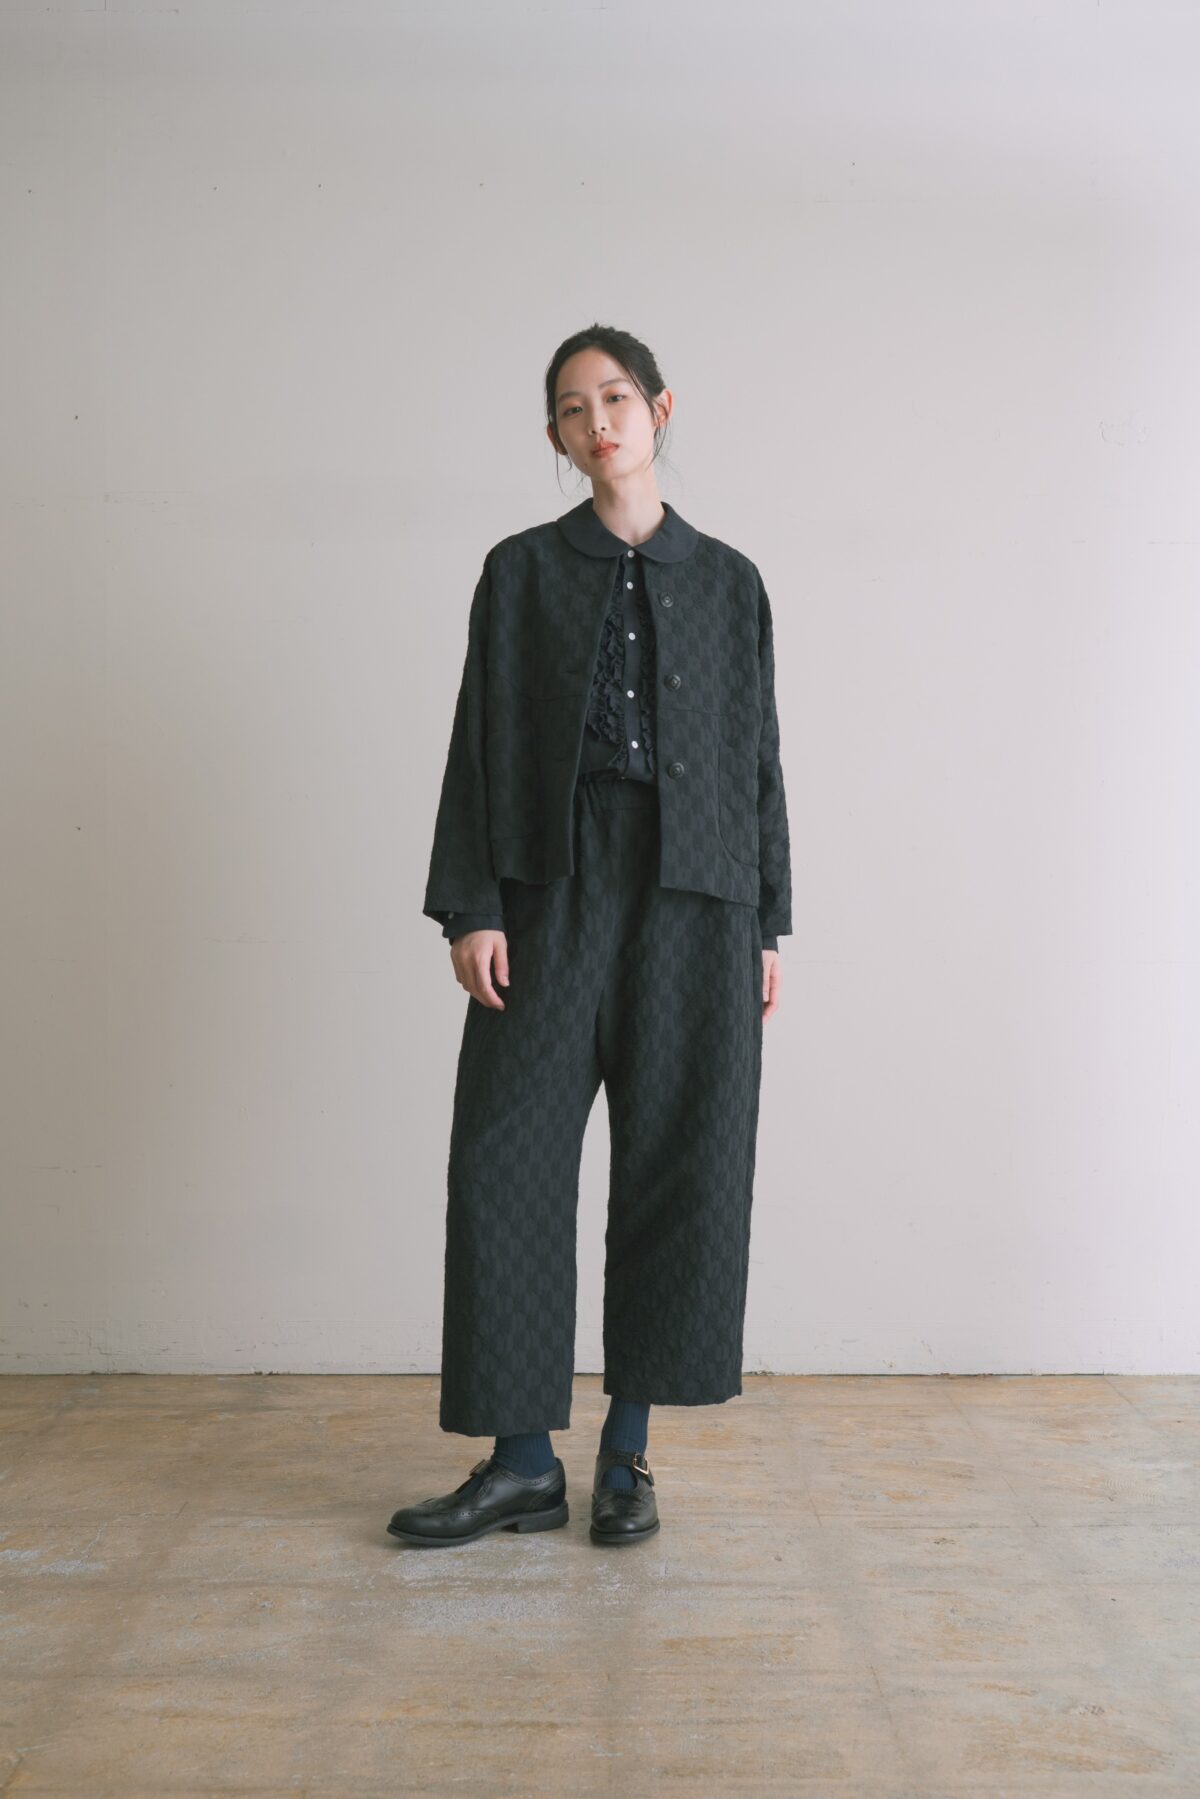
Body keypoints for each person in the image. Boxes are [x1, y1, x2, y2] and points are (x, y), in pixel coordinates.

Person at [387, 324, 792, 1549]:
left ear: (660, 408)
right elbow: (478, 738)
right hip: (551, 885)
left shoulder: (730, 582)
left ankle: (627, 1455)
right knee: (504, 1157)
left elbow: (759, 761)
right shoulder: (520, 572)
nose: (598, 421)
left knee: (680, 1159)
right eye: (573, 408)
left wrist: (770, 919)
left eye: (616, 397)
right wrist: (473, 903)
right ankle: (521, 1462)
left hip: (698, 897)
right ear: (557, 436)